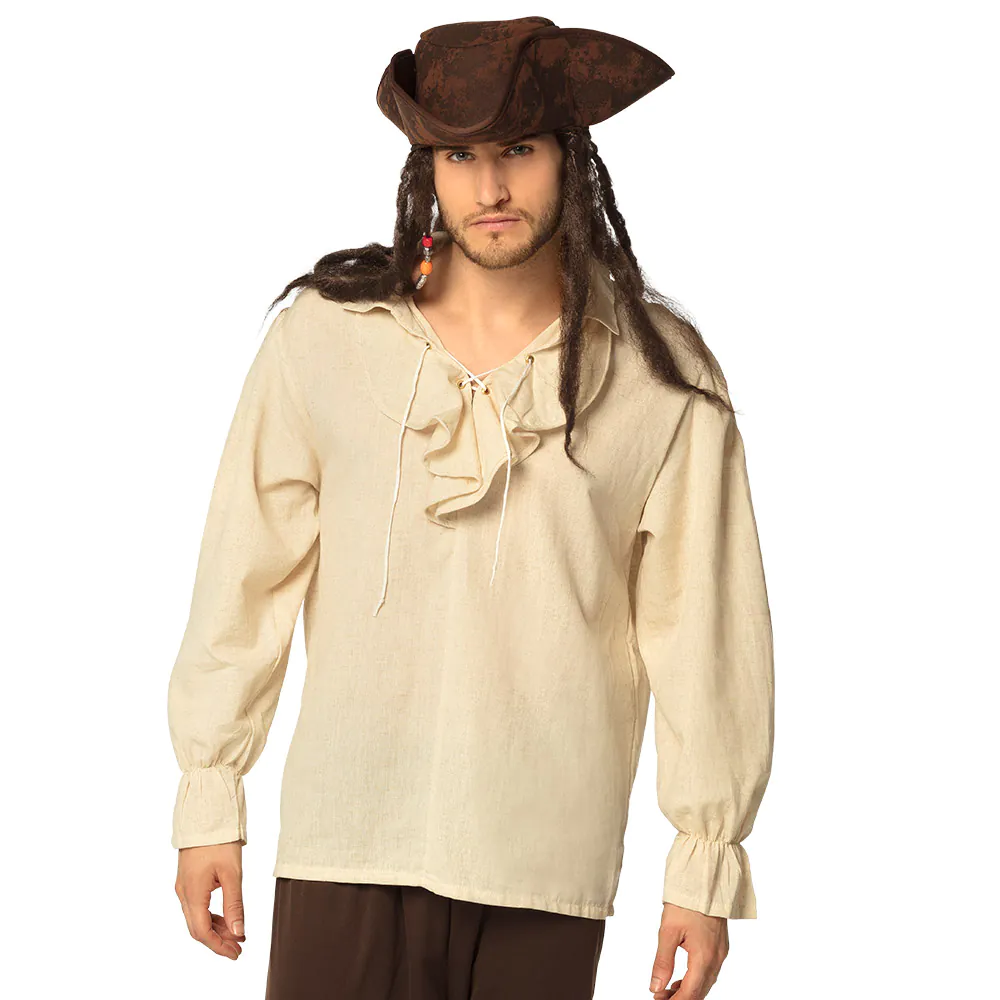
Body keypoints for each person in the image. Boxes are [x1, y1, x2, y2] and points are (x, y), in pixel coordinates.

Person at [167, 16, 775, 1000]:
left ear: (570, 157)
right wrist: (208, 798)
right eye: (460, 155)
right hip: (347, 835)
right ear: (428, 167)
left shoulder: (660, 376)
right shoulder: (324, 338)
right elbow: (244, 581)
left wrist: (703, 867)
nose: (489, 187)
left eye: (518, 150)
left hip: (543, 855)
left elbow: (701, 629)